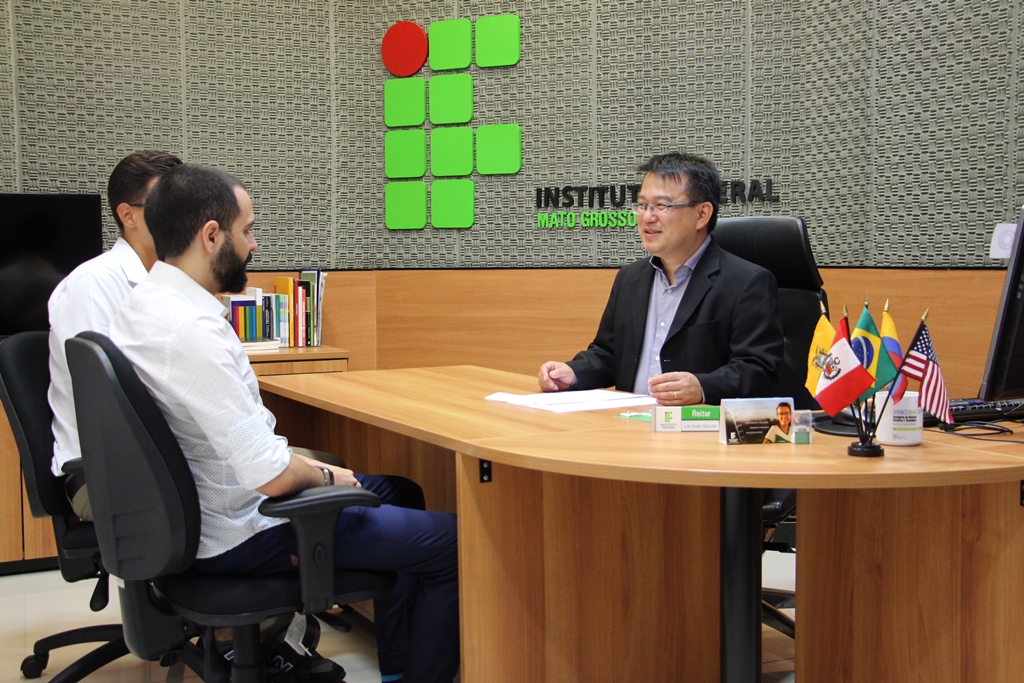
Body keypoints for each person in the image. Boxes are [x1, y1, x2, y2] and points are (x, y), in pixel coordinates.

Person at [109, 163, 459, 683]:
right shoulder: (192, 331)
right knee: (452, 545)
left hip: (194, 520)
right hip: (243, 532)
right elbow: (269, 474)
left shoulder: (142, 306)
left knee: (404, 492)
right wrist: (327, 476)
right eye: (247, 230)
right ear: (211, 236)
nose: (253, 245)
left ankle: (397, 668)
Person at [538, 152, 783, 405]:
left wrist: (701, 387)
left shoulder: (746, 283)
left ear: (702, 214)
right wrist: (573, 373)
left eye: (662, 206)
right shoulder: (630, 278)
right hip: (628, 421)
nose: (647, 217)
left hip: (696, 425)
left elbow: (760, 370)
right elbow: (609, 354)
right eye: (642, 205)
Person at [48, 150, 183, 518]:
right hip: (106, 474)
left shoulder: (169, 281)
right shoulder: (92, 284)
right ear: (128, 215)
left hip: (160, 458)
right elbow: (108, 398)